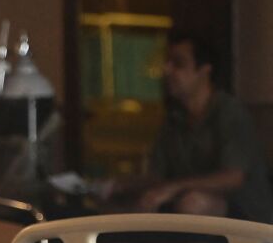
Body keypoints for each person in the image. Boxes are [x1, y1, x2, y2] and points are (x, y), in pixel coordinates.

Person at [102, 31, 272, 222]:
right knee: (119, 206)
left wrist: (174, 187)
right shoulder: (174, 118)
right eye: (167, 63)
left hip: (243, 215)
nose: (168, 71)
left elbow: (233, 177)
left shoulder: (229, 112)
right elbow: (157, 175)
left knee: (193, 202)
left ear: (204, 70)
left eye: (178, 64)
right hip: (180, 204)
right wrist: (121, 186)